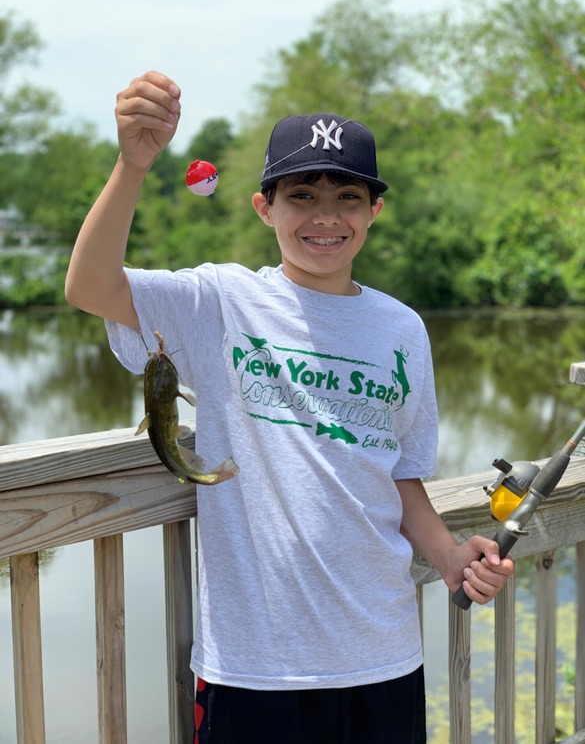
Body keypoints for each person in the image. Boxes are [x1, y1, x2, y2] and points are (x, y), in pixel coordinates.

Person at [65, 70, 514, 744]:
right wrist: (132, 166)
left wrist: (450, 557)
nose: (325, 216)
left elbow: (400, 477)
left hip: (383, 652)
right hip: (255, 670)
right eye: (301, 195)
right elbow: (90, 286)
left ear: (372, 214)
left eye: (347, 197)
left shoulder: (401, 329)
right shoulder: (220, 303)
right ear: (262, 207)